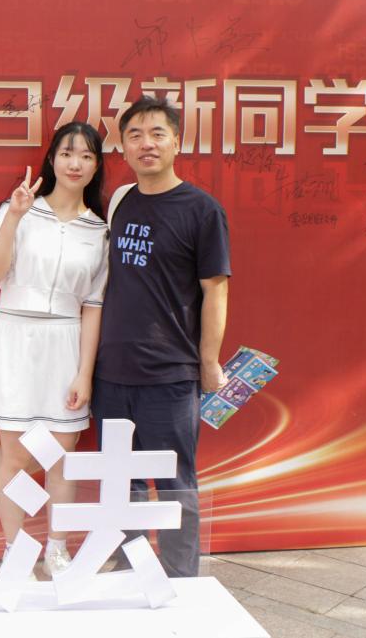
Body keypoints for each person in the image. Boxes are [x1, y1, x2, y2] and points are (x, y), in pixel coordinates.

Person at [92, 95, 230, 578]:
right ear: (123, 148)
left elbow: (216, 290)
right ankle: (129, 571)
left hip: (170, 375)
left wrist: (208, 362)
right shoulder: (121, 201)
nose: (146, 144)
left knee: (174, 482)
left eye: (157, 134)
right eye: (135, 135)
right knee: (120, 482)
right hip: (111, 373)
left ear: (176, 142)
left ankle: (180, 579)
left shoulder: (202, 210)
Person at [0, 122, 108, 577]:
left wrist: (84, 372)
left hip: (65, 342)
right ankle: (15, 550)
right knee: (17, 456)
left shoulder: (99, 230)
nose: (75, 164)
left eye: (86, 156)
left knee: (60, 456)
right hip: (14, 337)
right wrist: (13, 216)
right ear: (52, 159)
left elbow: (93, 306)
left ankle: (57, 549)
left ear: (96, 166)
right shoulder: (19, 210)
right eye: (67, 153)